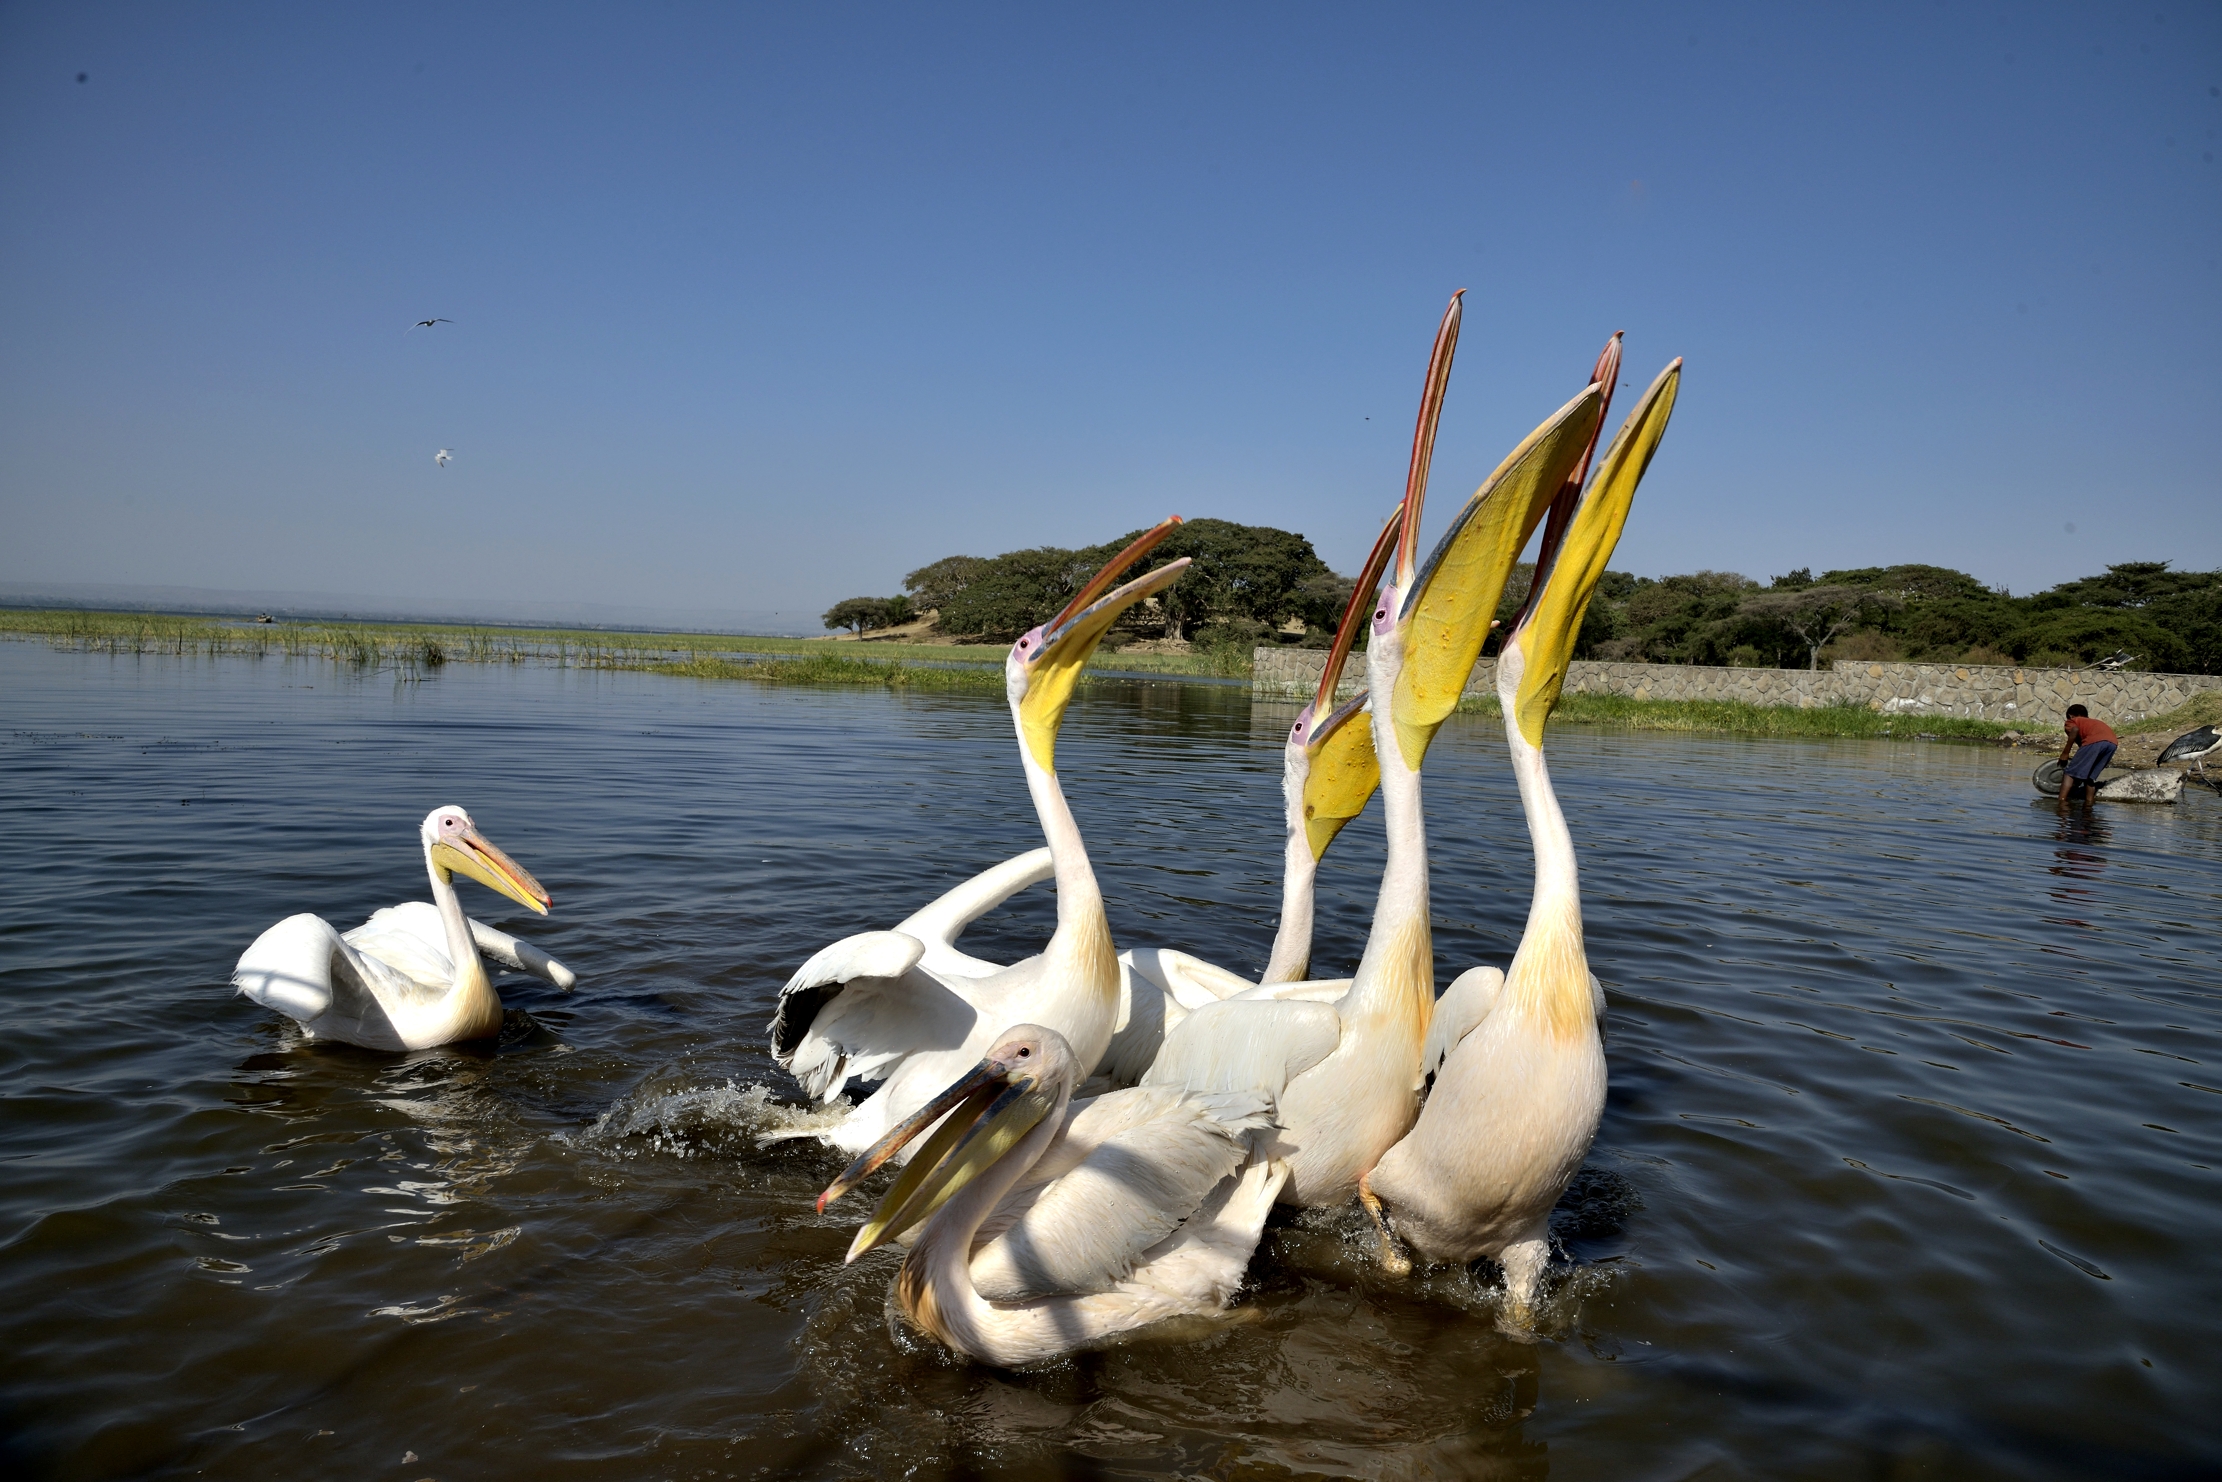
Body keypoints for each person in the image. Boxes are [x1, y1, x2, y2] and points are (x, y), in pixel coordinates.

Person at [2057, 703, 2118, 806]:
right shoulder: (2093, 722)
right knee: (2090, 778)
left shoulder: (2072, 721)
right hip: (2112, 743)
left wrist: (2065, 753)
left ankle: (2061, 803)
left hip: (2095, 741)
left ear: (2071, 715)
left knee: (2069, 773)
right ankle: (2089, 804)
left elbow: (2075, 730)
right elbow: (2084, 746)